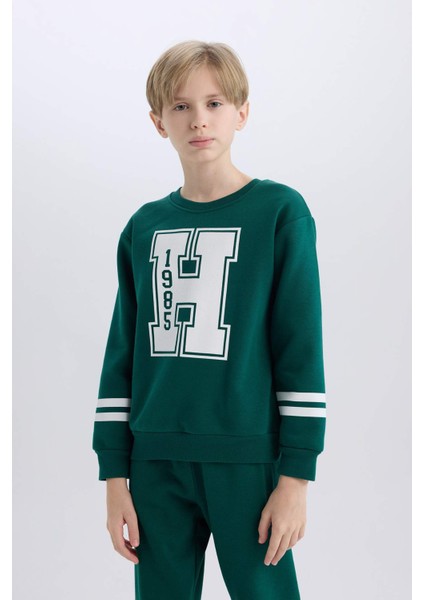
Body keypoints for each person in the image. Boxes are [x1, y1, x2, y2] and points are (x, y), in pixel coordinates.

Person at [92, 39, 326, 600]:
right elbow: (122, 352)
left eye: (215, 103)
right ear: (158, 122)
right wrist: (114, 476)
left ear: (241, 112)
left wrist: (296, 477)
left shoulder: (280, 212)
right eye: (181, 106)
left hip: (247, 458)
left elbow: (300, 346)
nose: (199, 119)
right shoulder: (143, 226)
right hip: (154, 462)